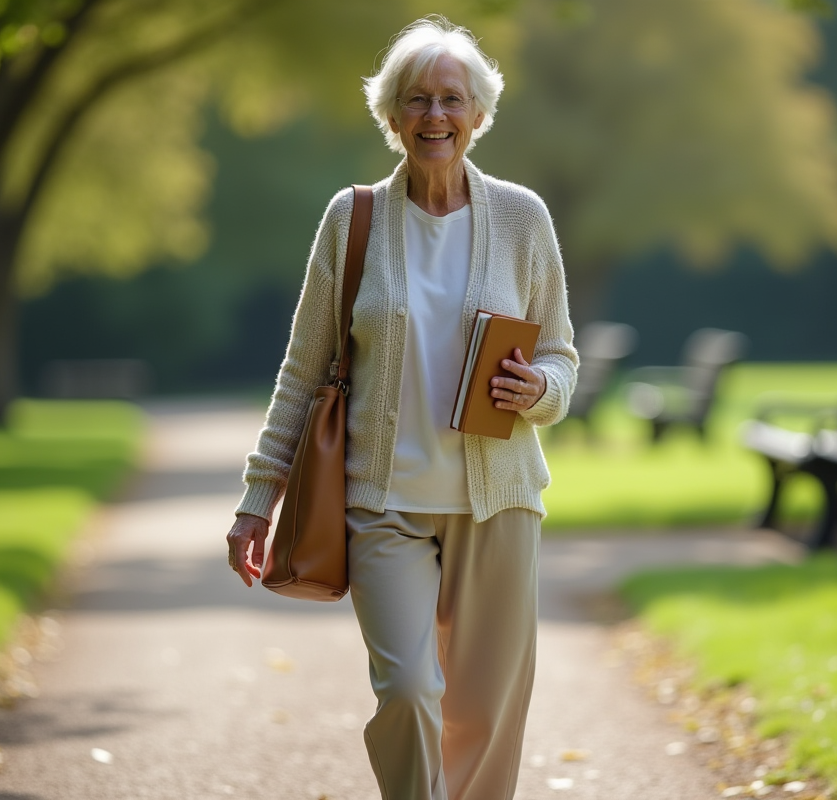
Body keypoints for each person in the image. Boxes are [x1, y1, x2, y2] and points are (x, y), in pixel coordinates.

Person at [225, 15, 578, 800]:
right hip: (382, 505)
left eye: (451, 99)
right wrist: (259, 500)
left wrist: (542, 391)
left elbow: (562, 356)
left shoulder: (524, 219)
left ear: (478, 114)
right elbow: (301, 369)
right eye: (416, 100)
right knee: (411, 690)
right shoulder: (351, 220)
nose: (434, 117)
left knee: (486, 712)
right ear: (391, 116)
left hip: (498, 506)